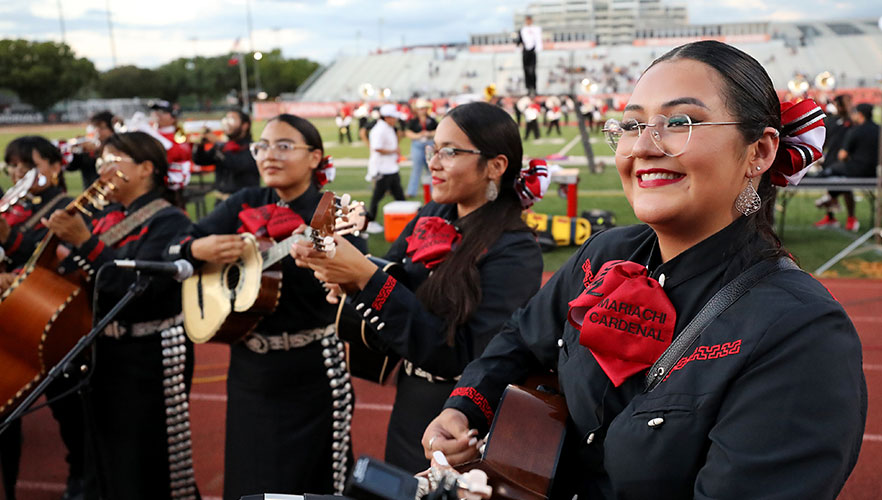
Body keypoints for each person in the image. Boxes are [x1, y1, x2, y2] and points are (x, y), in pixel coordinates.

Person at [422, 41, 866, 499]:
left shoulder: (802, 333)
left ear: (760, 151)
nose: (644, 146)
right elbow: (521, 335)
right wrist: (464, 408)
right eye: (633, 124)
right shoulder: (604, 253)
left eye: (680, 122)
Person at [291, 101, 547, 473]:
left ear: (496, 166)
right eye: (433, 149)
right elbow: (393, 286)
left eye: (450, 151)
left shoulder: (517, 249)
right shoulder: (431, 214)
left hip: (460, 423)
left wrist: (365, 278)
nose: (434, 161)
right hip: (410, 402)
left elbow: (465, 355)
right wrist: (345, 283)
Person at [166, 114, 366, 499]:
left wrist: (328, 269)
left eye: (284, 146)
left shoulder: (334, 213)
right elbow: (176, 245)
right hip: (249, 372)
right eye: (263, 146)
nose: (269, 155)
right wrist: (195, 248)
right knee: (248, 479)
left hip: (312, 372)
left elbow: (356, 289)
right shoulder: (245, 202)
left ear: (315, 158)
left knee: (313, 481)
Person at [44, 131, 198, 500]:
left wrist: (84, 243)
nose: (102, 171)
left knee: (151, 459)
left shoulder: (170, 221)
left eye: (113, 162)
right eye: (100, 163)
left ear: (146, 168)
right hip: (103, 352)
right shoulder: (105, 217)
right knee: (107, 456)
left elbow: (142, 289)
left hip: (150, 353)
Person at [0, 136, 85, 500]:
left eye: (27, 166)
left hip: (50, 318)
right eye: (12, 167)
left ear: (53, 166)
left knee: (68, 409)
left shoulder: (68, 205)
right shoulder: (12, 205)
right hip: (12, 319)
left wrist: (8, 238)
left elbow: (51, 255)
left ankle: (83, 477)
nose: (18, 173)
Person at [815, 102, 880, 232]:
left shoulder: (855, 130)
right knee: (839, 175)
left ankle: (831, 197)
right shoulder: (879, 129)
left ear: (860, 115)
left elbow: (842, 155)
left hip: (855, 171)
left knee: (830, 170)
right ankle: (832, 199)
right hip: (873, 172)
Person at [192, 109, 259, 205]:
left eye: (232, 120)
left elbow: (237, 165)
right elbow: (200, 160)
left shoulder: (253, 148)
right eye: (226, 120)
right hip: (222, 203)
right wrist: (200, 145)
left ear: (245, 126)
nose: (227, 124)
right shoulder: (223, 146)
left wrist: (216, 143)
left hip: (245, 203)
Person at [365, 104, 406, 233]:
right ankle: (370, 221)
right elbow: (377, 148)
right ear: (387, 117)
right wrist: (394, 151)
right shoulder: (379, 130)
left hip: (391, 168)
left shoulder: (387, 127)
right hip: (382, 169)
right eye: (393, 117)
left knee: (399, 193)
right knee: (377, 196)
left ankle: (406, 217)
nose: (396, 120)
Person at [149, 100, 193, 205]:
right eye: (155, 111)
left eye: (162, 112)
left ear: (172, 117)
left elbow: (179, 153)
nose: (157, 115)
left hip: (170, 188)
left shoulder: (178, 134)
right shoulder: (150, 131)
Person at [66, 111, 116, 188]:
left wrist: (98, 150)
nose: (98, 131)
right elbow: (71, 168)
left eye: (102, 128)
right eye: (95, 127)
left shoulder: (118, 148)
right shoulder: (87, 150)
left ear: (112, 129)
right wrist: (74, 152)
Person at [404, 98, 438, 198]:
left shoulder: (431, 120)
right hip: (417, 145)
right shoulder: (413, 121)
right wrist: (418, 136)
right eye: (420, 108)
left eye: (424, 108)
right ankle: (411, 191)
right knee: (416, 169)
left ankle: (434, 190)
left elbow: (437, 131)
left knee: (431, 168)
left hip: (429, 144)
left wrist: (429, 134)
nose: (422, 110)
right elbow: (408, 133)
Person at [517, 15, 542, 96]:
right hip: (525, 52)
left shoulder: (536, 29)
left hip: (532, 52)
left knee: (532, 71)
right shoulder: (522, 30)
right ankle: (528, 88)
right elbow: (519, 42)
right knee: (526, 71)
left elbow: (538, 40)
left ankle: (534, 88)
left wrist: (537, 49)